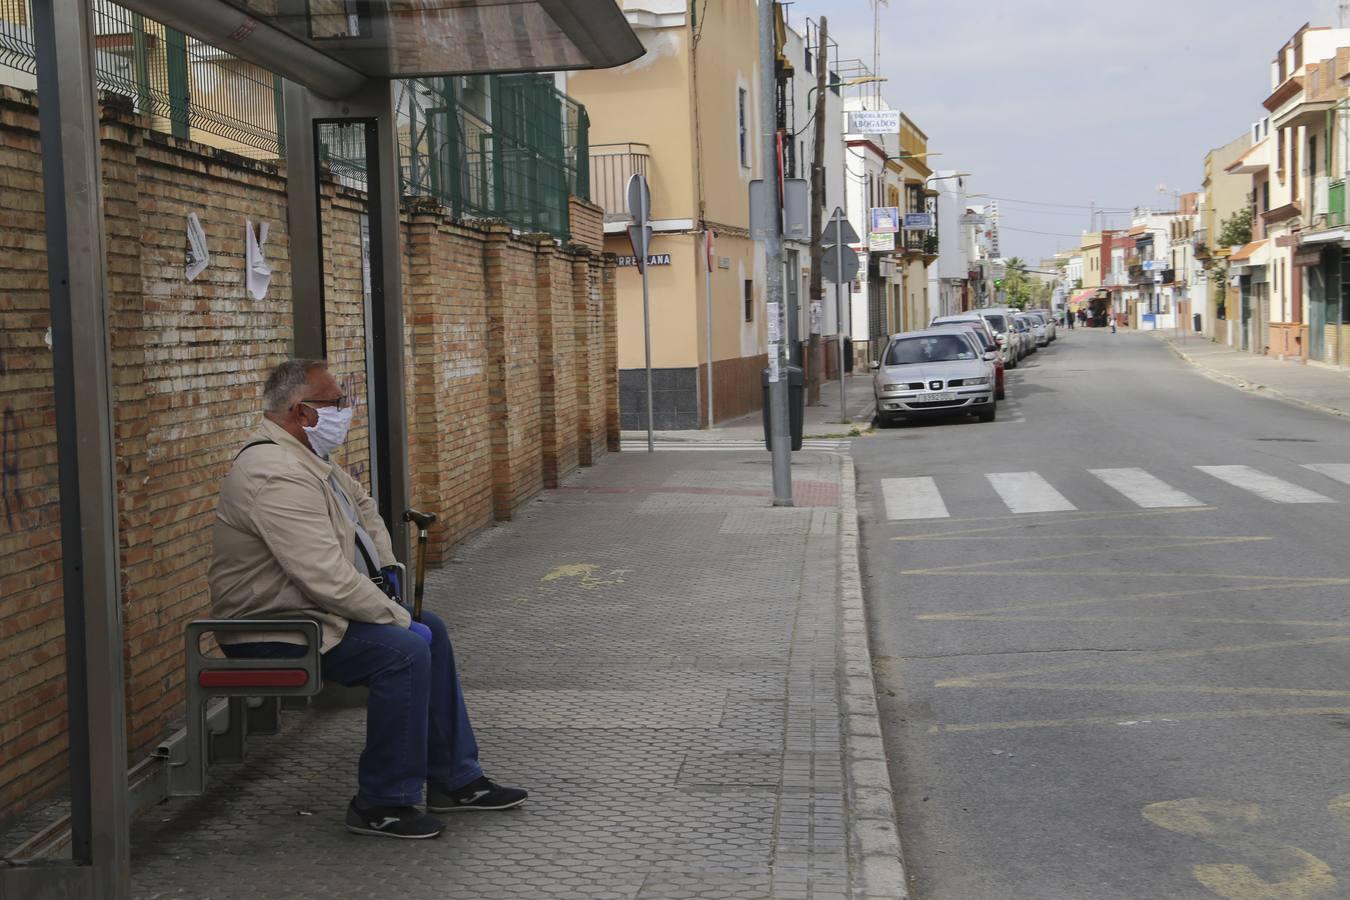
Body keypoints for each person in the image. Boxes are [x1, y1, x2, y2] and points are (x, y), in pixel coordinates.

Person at [209, 359, 526, 840]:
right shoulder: (273, 474)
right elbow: (325, 580)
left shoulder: (310, 460)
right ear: (303, 412)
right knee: (406, 649)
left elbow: (363, 509)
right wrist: (394, 615)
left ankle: (455, 780)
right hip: (272, 628)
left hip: (313, 617)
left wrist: (387, 577)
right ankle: (381, 803)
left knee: (429, 630)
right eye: (337, 401)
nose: (346, 410)